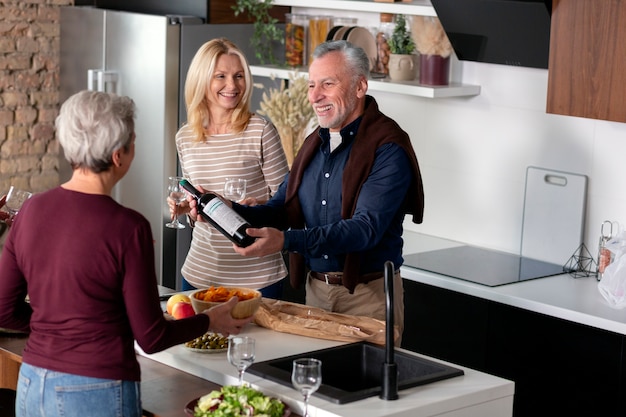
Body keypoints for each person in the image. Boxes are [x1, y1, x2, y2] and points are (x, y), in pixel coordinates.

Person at [0, 90, 252, 417]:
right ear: (119, 154)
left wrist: (61, 326)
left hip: (34, 382)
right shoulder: (129, 227)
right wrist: (210, 320)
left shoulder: (32, 210)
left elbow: (4, 309)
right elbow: (151, 336)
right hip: (98, 388)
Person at [191, 40, 424, 341]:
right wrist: (226, 209)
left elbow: (364, 230)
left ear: (359, 87)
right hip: (316, 294)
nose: (315, 96)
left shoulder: (388, 147)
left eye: (328, 84)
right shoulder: (316, 141)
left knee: (366, 387)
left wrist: (287, 241)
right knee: (316, 385)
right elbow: (282, 209)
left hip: (368, 298)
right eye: (312, 85)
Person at [171, 38, 289, 298]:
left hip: (258, 278)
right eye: (220, 76)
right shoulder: (185, 137)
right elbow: (198, 206)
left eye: (238, 76)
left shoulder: (260, 131)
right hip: (200, 274)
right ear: (202, 81)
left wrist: (256, 206)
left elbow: (288, 202)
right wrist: (186, 210)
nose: (232, 85)